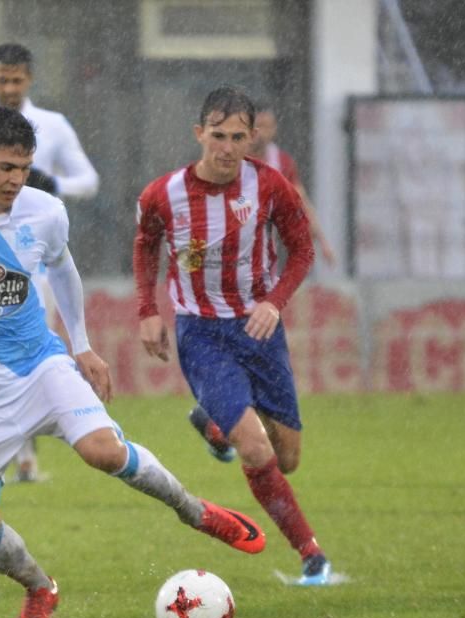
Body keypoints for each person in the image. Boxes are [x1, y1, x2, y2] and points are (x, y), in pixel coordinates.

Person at [0, 107, 266, 618]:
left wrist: (83, 347)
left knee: (104, 450)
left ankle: (195, 511)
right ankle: (38, 587)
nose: (16, 181)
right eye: (5, 168)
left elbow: (63, 269)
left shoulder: (43, 211)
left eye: (24, 168)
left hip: (40, 365)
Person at [133, 86, 334, 586]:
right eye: (217, 136)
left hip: (259, 328)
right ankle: (311, 555)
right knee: (256, 450)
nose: (226, 147)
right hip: (201, 333)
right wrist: (147, 310)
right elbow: (145, 246)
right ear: (199, 134)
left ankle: (213, 421)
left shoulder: (269, 186)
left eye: (238, 137)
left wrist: (274, 301)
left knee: (287, 458)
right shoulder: (164, 193)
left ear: (253, 138)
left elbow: (302, 249)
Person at [0, 42, 100, 482]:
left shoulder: (53, 126)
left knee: (28, 347)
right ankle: (5, 451)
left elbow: (89, 180)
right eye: (2, 79)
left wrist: (53, 184)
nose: (9, 87)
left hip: (34, 262)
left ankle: (22, 458)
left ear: (30, 79)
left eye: (17, 80)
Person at [249, 100, 336, 267]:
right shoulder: (231, 157)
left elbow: (301, 201)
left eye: (268, 127)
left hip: (262, 249)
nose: (262, 133)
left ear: (274, 129)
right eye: (258, 126)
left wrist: (323, 243)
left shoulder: (282, 162)